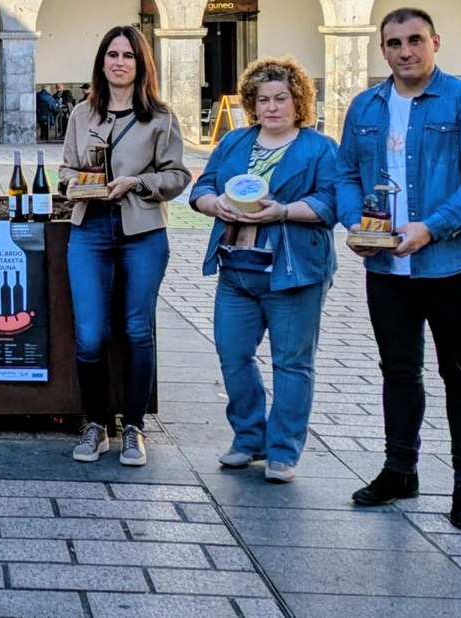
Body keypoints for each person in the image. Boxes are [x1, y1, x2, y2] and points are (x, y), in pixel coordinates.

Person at [337, 8, 461, 529]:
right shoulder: (366, 105)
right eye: (393, 43)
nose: (405, 51)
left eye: (414, 41)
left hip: (451, 263)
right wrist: (356, 226)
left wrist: (433, 226)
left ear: (435, 41)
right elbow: (345, 173)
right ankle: (399, 468)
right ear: (381, 49)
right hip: (386, 269)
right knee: (399, 371)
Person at [191, 57, 338, 483]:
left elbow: (331, 202)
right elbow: (203, 185)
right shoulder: (236, 142)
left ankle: (283, 450)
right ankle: (248, 438)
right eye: (263, 99)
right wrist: (210, 203)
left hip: (294, 274)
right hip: (236, 270)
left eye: (282, 99)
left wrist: (284, 211)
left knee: (292, 363)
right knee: (233, 355)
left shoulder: (319, 148)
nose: (272, 107)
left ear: (299, 101)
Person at [59, 25, 191, 467]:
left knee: (137, 330)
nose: (118, 62)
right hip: (90, 229)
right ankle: (96, 423)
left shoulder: (159, 117)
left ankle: (133, 426)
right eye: (111, 54)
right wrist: (76, 184)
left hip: (142, 232)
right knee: (91, 334)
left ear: (141, 64)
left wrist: (139, 182)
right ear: (101, 63)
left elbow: (177, 177)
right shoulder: (82, 114)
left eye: (128, 56)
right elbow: (64, 169)